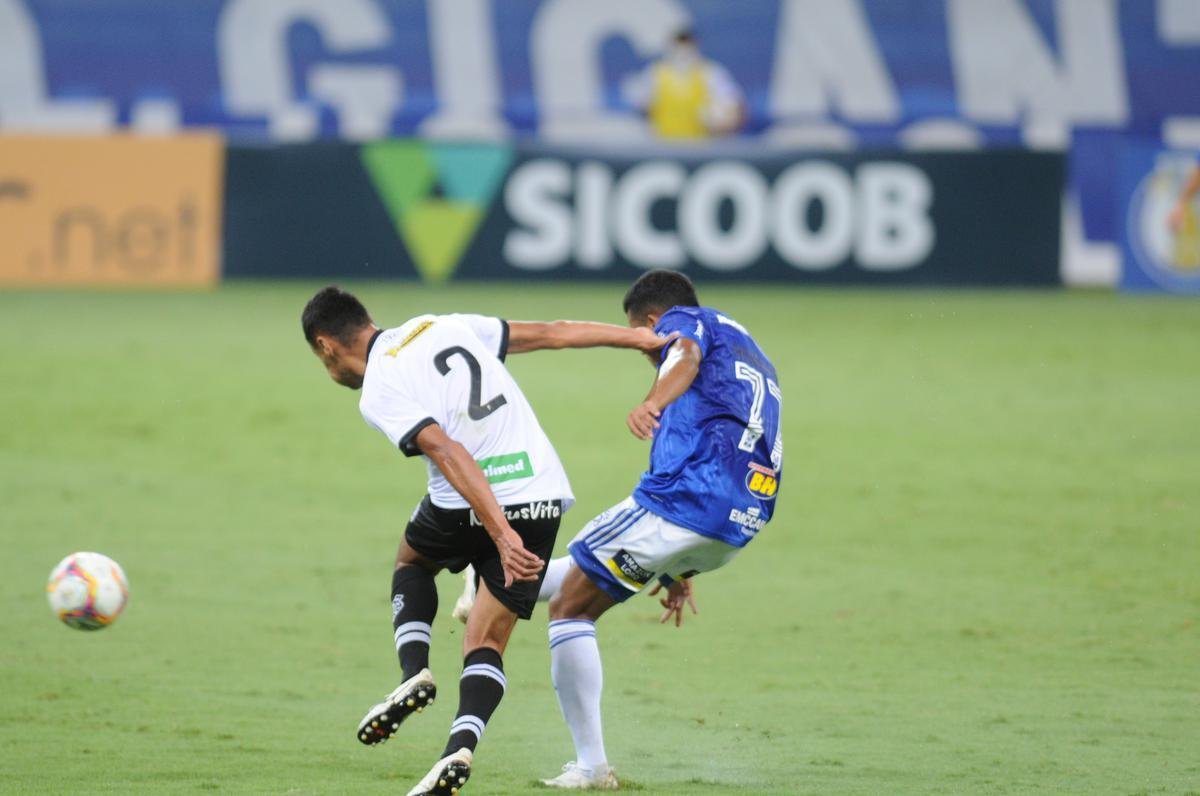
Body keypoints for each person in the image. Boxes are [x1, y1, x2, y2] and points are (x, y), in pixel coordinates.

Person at [300, 286, 670, 796]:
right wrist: (634, 338)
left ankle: (415, 671)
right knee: (486, 641)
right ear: (368, 319)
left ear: (326, 346)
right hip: (543, 494)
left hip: (474, 503)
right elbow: (552, 334)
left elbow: (447, 451)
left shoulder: (378, 388)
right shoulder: (445, 324)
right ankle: (458, 749)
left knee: (412, 560)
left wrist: (498, 532)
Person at [539, 270, 783, 789]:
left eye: (640, 341)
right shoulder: (750, 348)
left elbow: (684, 357)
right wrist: (678, 567)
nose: (646, 352)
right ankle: (489, 577)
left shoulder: (682, 323)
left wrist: (653, 401)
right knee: (578, 580)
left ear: (651, 321)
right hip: (742, 517)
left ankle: (591, 767)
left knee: (570, 607)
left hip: (685, 498)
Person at [625, 28, 745, 140]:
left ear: (696, 47)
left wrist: (723, 121)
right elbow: (640, 105)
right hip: (663, 144)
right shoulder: (655, 73)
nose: (683, 52)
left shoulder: (711, 72)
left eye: (688, 46)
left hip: (701, 146)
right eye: (680, 46)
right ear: (671, 47)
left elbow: (735, 107)